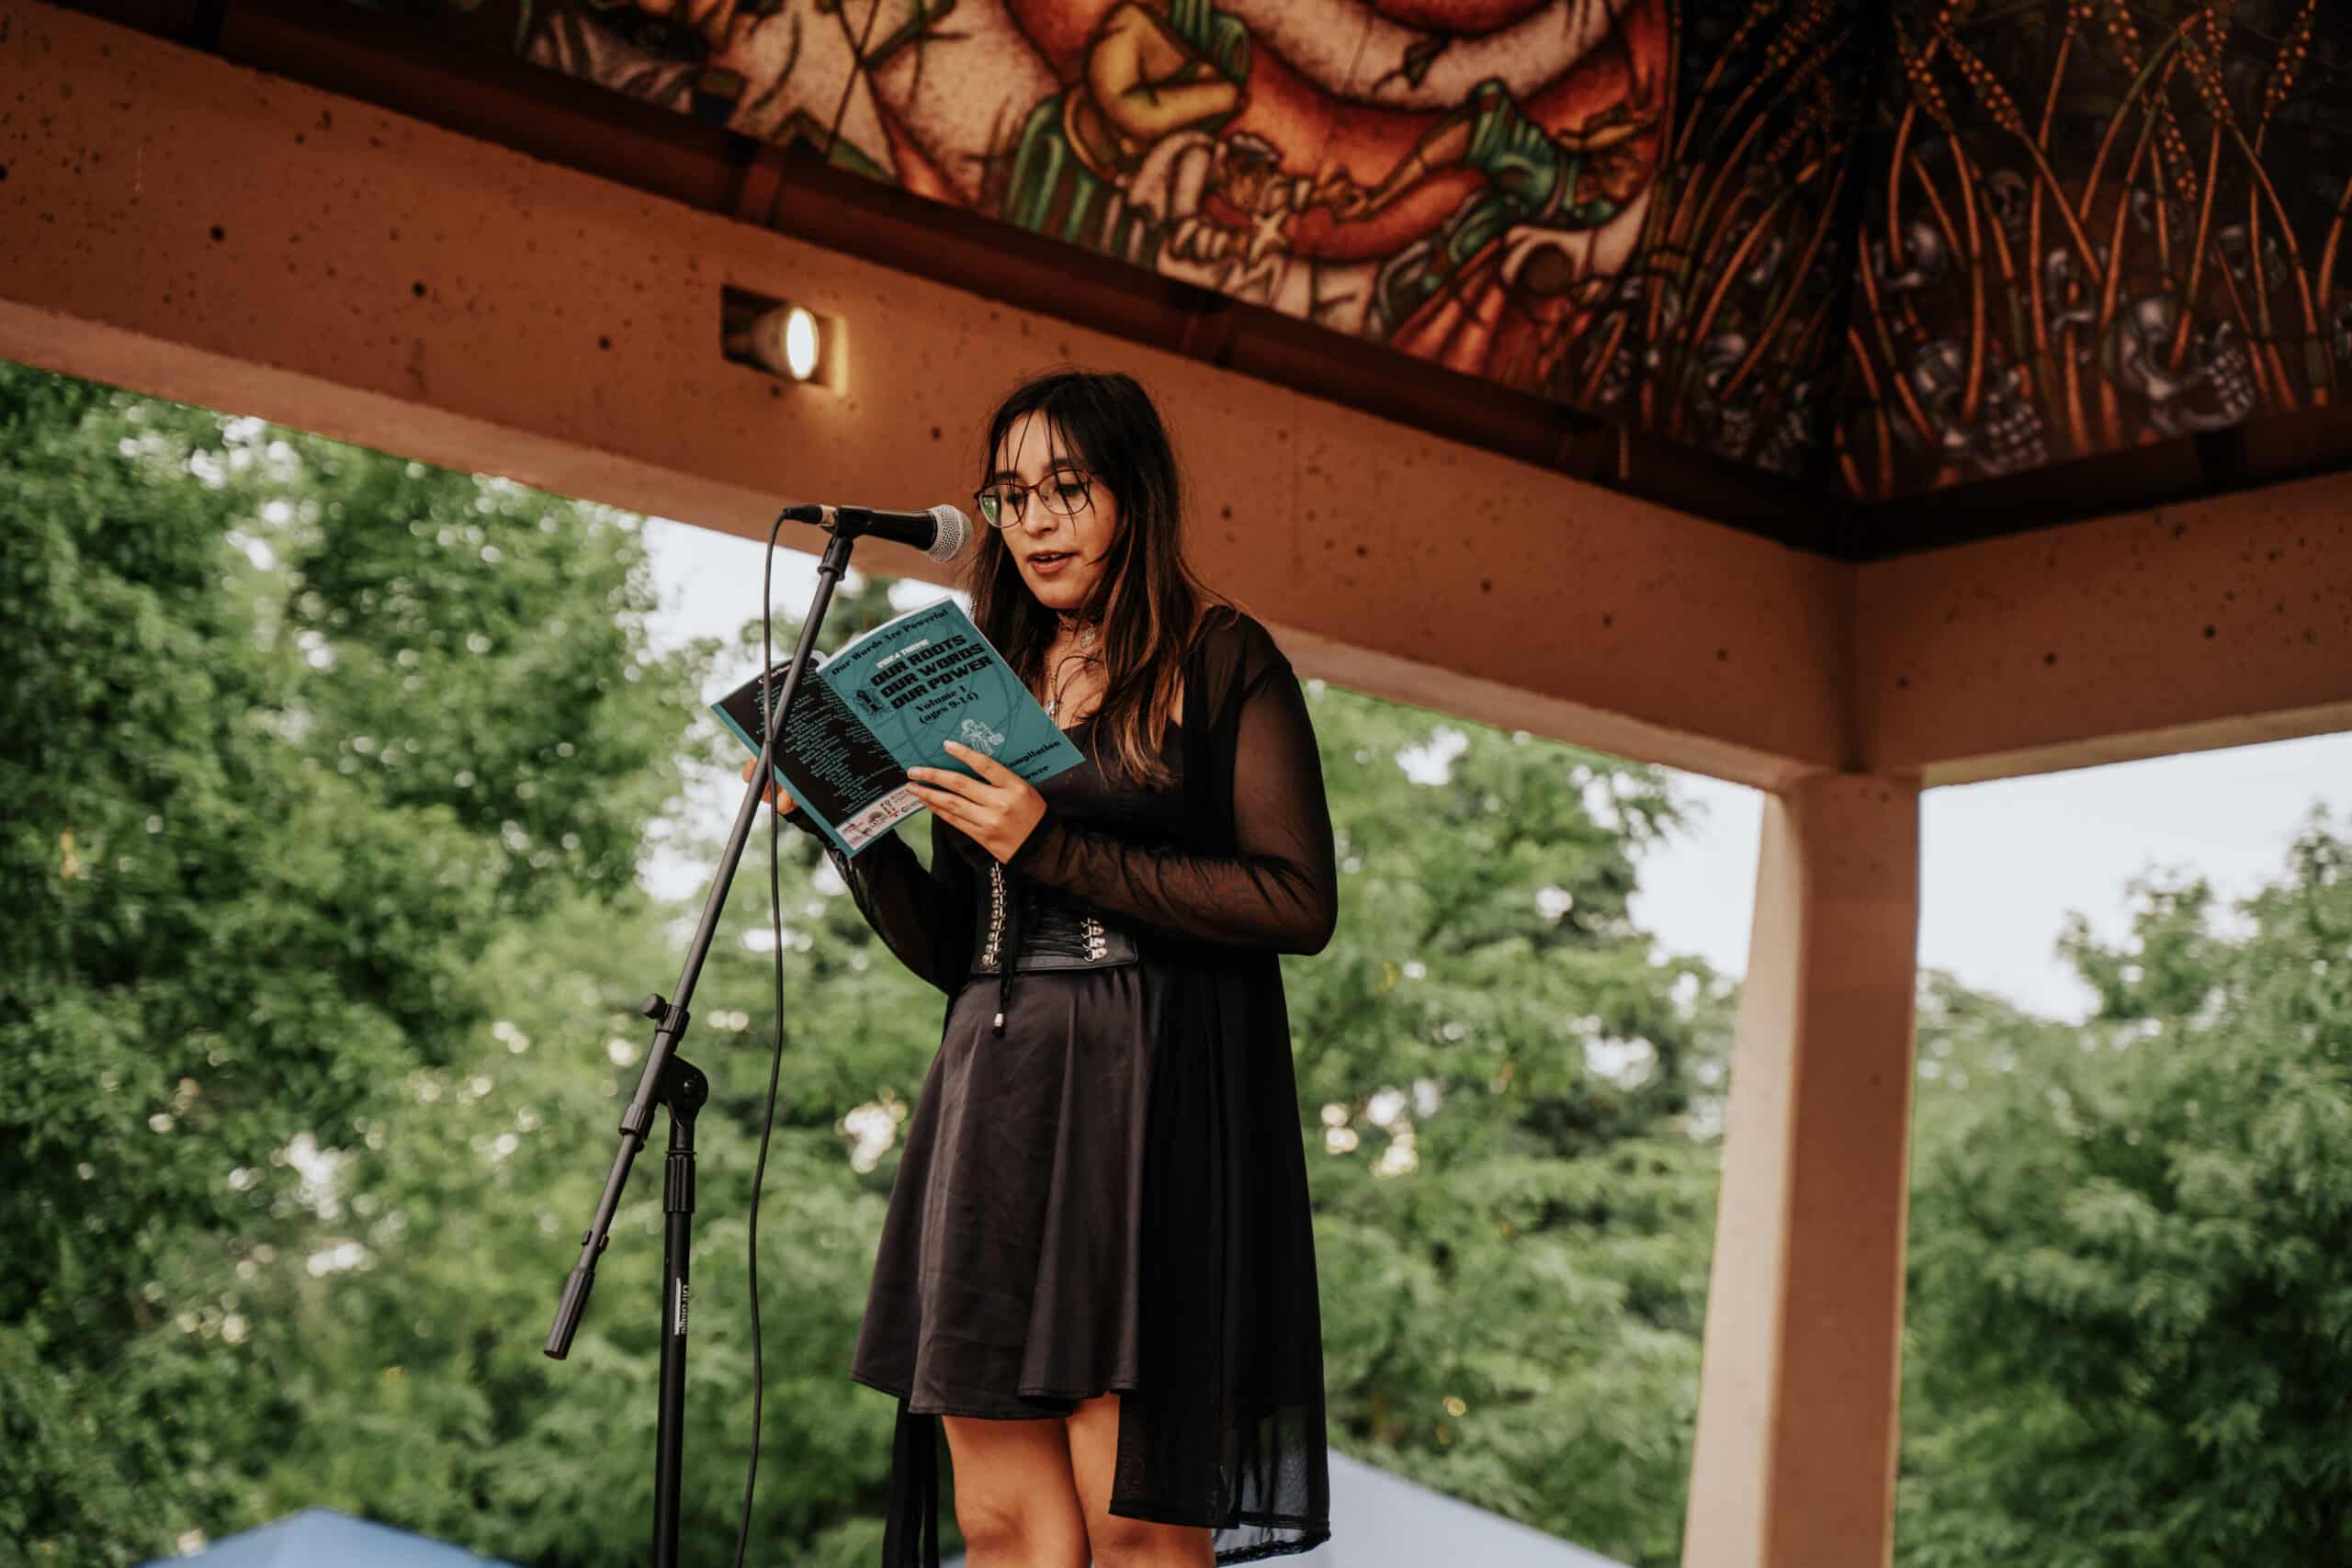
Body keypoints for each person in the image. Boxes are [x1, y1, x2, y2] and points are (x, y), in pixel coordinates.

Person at [744, 368, 1337, 1565]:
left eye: (1069, 489)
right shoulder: (987, 673)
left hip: (1150, 1095)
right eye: (1011, 496)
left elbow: (1297, 900)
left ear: (1135, 496)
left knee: (1134, 1528)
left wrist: (1052, 841)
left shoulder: (1222, 658)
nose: (1037, 522)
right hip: (995, 1088)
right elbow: (960, 951)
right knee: (1002, 1524)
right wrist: (846, 828)